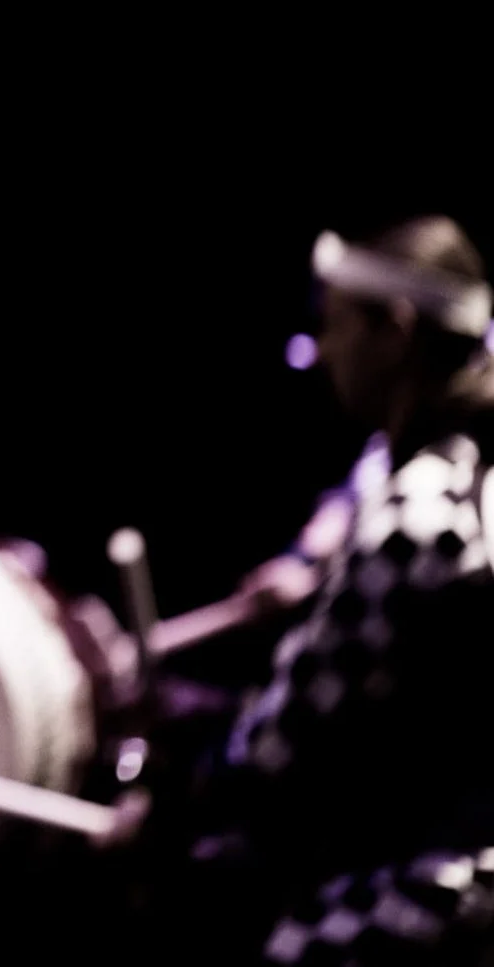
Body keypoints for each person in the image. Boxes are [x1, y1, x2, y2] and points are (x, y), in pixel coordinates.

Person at [163, 215, 494, 964]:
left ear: (396, 331)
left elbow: (278, 749)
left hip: (455, 883)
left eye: (336, 325)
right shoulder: (458, 473)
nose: (325, 352)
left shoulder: (420, 510)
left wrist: (167, 799)